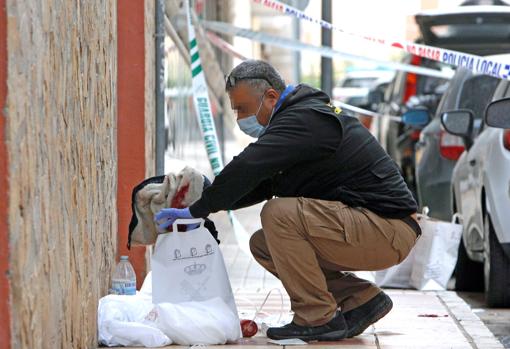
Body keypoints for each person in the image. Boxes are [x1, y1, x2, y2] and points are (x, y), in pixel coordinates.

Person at [155, 60, 421, 341]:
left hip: (388, 228)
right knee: (264, 244)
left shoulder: (305, 119)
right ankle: (361, 297)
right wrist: (207, 205)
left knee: (278, 213)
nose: (239, 118)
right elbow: (261, 184)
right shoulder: (296, 123)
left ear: (271, 97)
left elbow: (249, 165)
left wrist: (198, 209)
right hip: (374, 228)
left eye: (243, 109)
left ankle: (318, 317)